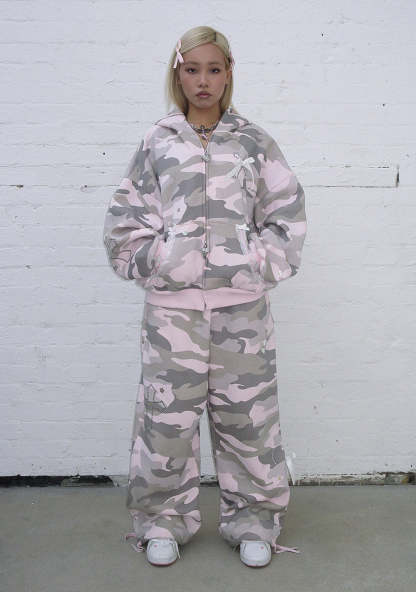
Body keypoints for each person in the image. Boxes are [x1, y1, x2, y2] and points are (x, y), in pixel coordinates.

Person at [102, 25, 307, 568]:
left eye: (214, 70)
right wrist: (163, 260)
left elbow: (286, 217)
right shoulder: (158, 141)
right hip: (172, 316)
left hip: (243, 312)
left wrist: (252, 264)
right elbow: (124, 225)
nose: (203, 81)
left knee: (249, 421)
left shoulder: (253, 142)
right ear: (178, 73)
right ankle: (162, 521)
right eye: (192, 70)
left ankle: (255, 521)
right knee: (165, 425)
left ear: (228, 73)